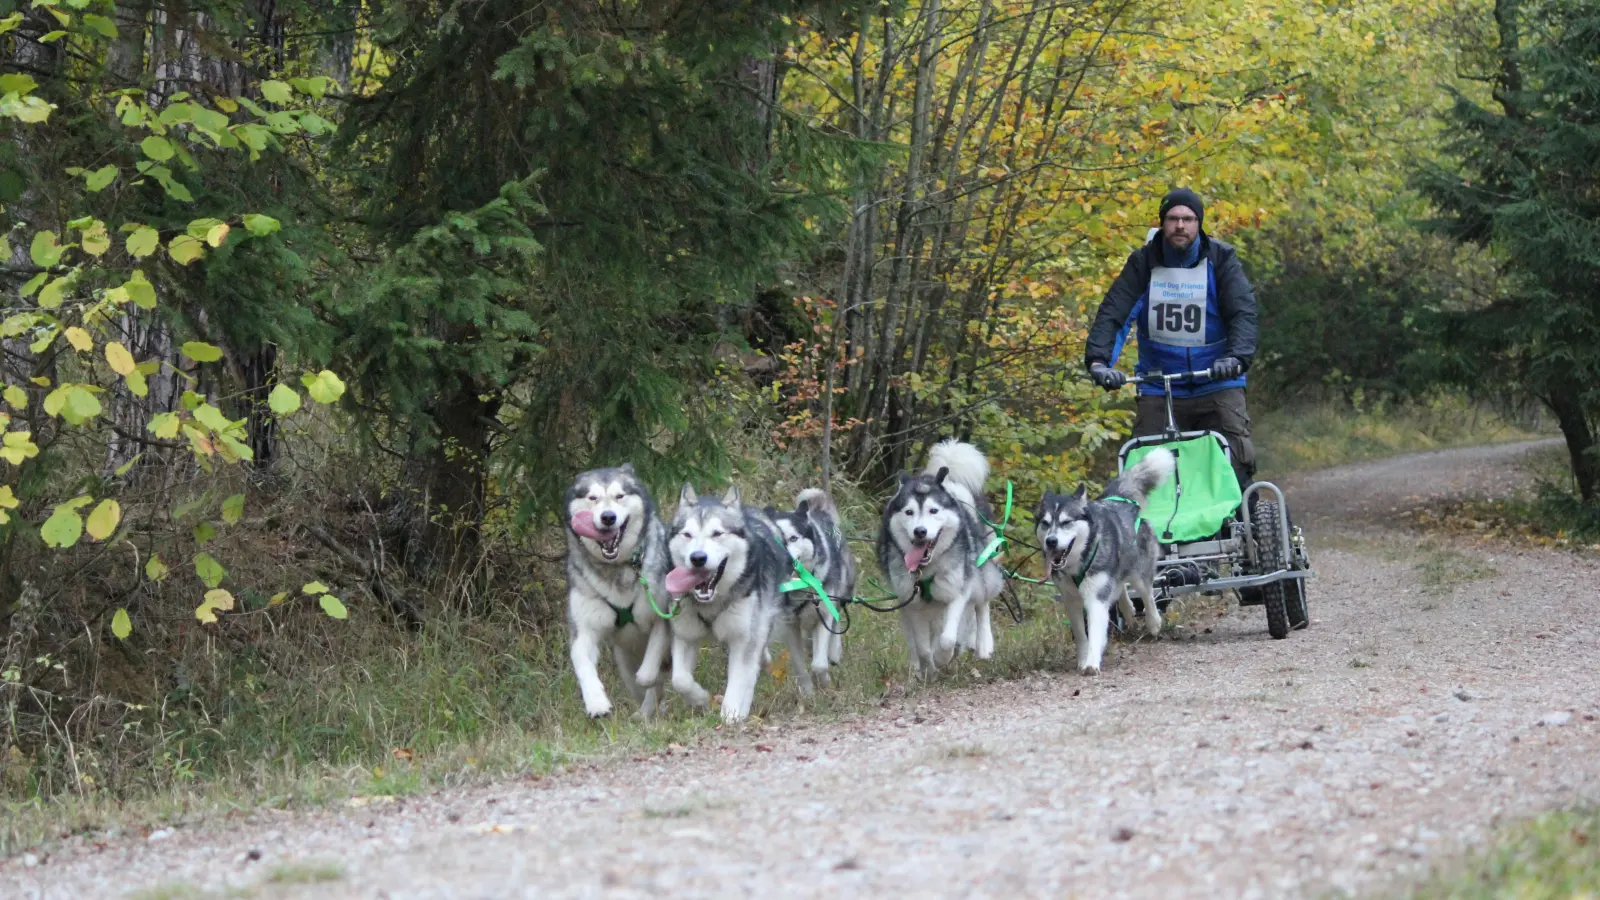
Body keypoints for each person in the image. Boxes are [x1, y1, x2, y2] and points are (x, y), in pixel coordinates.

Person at [1083, 187, 1259, 487]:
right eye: (1173, 218)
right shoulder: (1143, 264)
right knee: (1144, 464)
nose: (1180, 225)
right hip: (1159, 384)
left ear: (1198, 223)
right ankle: (1148, 528)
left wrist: (1235, 358)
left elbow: (1242, 314)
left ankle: (1245, 522)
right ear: (1162, 223)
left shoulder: (1221, 259)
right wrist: (1099, 362)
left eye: (1188, 219)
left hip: (1217, 379)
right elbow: (1115, 314)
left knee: (1236, 459)